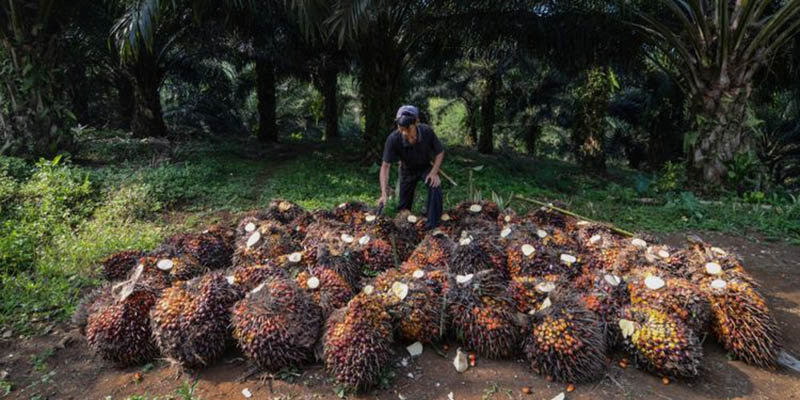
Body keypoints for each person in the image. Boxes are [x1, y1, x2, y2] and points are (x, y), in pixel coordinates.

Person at [379, 105, 445, 230]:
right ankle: (405, 229)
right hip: (407, 170)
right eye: (401, 128)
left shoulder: (427, 131)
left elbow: (440, 152)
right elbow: (385, 166)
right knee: (403, 208)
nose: (405, 133)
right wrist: (383, 192)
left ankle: (433, 225)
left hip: (426, 168)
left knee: (435, 186)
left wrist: (434, 172)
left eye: (408, 129)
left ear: (416, 122)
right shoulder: (393, 139)